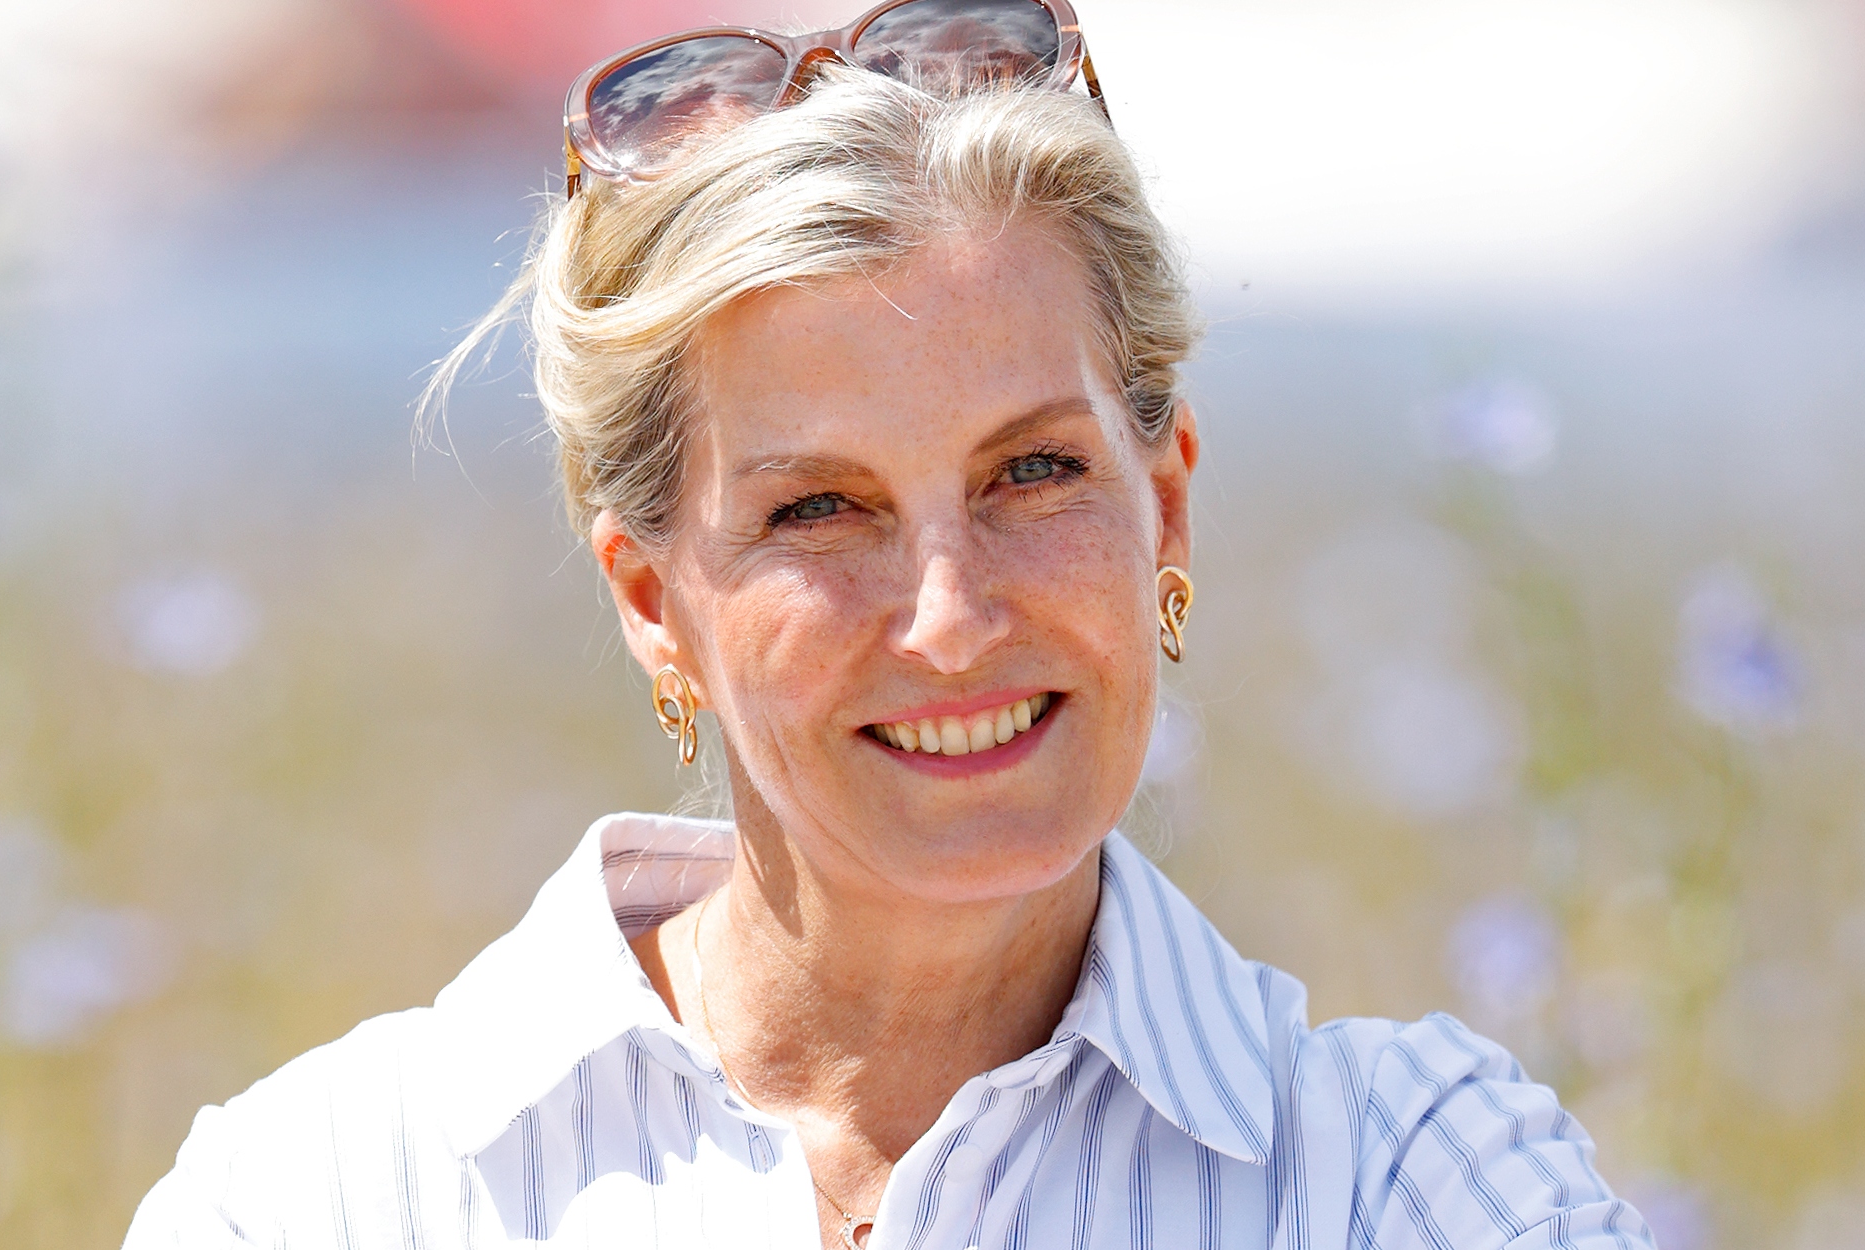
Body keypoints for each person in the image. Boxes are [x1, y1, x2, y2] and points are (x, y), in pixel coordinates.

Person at [123, 1, 1654, 1246]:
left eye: (1034, 471)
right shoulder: (324, 1194)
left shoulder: (1420, 1186)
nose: (951, 615)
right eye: (819, 512)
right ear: (654, 603)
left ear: (1166, 512)